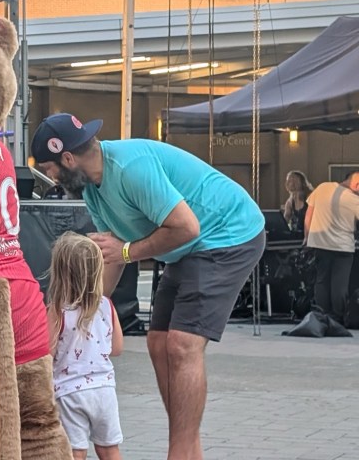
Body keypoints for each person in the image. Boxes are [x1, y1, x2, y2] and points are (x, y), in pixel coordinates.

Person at [31, 113, 265, 460]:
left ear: (67, 159)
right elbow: (113, 253)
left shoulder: (130, 168)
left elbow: (185, 228)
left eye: (48, 168)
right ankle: (189, 452)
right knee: (158, 343)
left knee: (182, 345)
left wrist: (128, 251)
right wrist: (86, 311)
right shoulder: (93, 189)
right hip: (187, 247)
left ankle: (180, 453)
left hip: (228, 233)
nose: (50, 177)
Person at [47, 233, 124, 460]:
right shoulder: (106, 305)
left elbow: (47, 352)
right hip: (104, 389)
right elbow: (116, 348)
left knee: (75, 451)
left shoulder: (58, 310)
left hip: (69, 391)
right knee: (109, 449)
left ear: (60, 273)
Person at [303, 171, 359, 325]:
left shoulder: (322, 188)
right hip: (343, 247)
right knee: (339, 285)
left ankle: (321, 315)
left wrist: (307, 237)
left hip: (319, 244)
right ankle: (338, 318)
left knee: (321, 281)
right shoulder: (354, 200)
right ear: (357, 184)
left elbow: (308, 215)